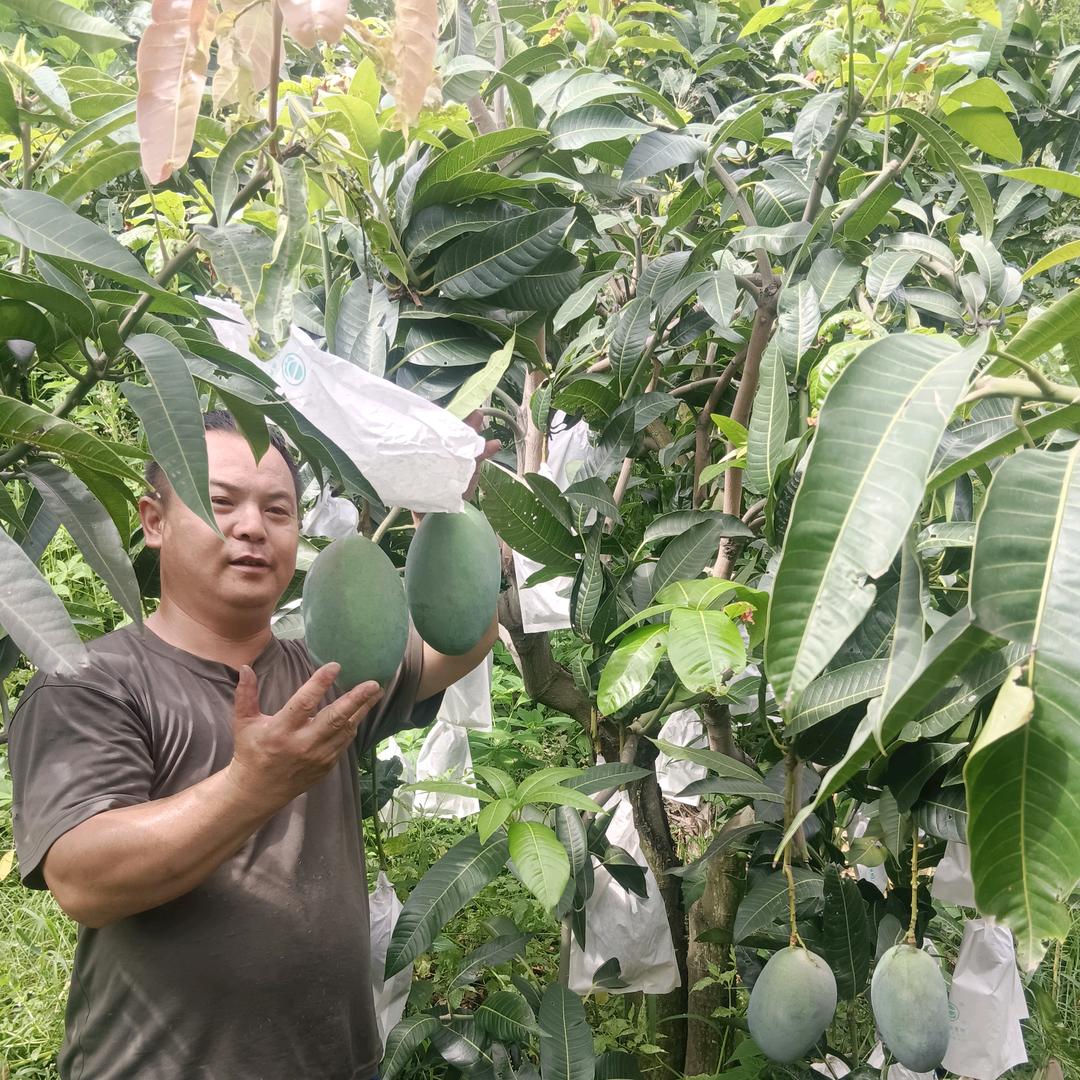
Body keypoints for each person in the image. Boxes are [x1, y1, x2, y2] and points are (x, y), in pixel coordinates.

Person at [7, 410, 501, 1080]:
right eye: (220, 502)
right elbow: (83, 879)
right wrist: (252, 786)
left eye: (277, 509)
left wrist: (443, 514)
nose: (251, 527)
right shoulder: (93, 682)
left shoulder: (331, 671)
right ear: (154, 521)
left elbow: (458, 641)